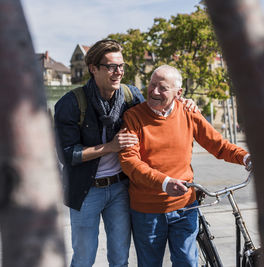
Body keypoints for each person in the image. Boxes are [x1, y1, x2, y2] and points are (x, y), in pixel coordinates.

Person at [54, 40, 197, 267]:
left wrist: (183, 101)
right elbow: (68, 155)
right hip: (86, 190)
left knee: (120, 258)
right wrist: (110, 147)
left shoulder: (130, 95)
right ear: (93, 68)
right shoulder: (71, 103)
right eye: (111, 66)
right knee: (84, 257)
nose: (118, 72)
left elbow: (156, 110)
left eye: (121, 66)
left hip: (120, 188)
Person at [119, 65, 251, 266]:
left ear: (178, 93)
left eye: (162, 88)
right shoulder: (133, 117)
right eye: (152, 84)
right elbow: (129, 161)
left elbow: (219, 146)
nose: (153, 91)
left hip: (185, 207)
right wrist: (164, 182)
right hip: (147, 211)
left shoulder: (189, 112)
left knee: (188, 262)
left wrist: (246, 158)